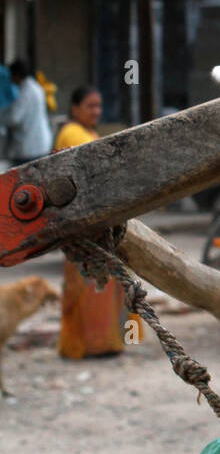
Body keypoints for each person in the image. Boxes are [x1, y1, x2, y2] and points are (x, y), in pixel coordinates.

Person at [54, 86, 137, 358]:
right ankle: (93, 344)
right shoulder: (72, 133)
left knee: (103, 284)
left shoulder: (88, 133)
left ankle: (106, 342)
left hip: (95, 222)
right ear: (75, 108)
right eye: (90, 106)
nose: (96, 111)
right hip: (82, 224)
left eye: (99, 106)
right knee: (91, 283)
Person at [1, 59, 53, 162]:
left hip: (30, 147)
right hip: (40, 143)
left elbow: (14, 118)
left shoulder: (26, 91)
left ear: (16, 75)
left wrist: (1, 118)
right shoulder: (35, 87)